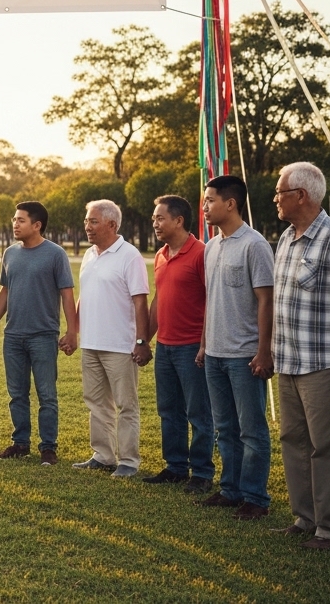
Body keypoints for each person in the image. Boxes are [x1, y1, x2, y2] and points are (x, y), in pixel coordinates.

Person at [270, 163, 330, 550]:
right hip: (289, 360)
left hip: (324, 363)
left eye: (280, 192)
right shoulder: (285, 238)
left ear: (302, 195)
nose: (275, 198)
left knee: (328, 446)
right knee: (293, 439)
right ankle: (305, 517)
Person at [197, 175, 274, 521]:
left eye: (210, 200)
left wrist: (264, 350)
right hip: (214, 353)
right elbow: (211, 301)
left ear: (230, 203)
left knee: (251, 429)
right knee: (224, 427)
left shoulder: (255, 245)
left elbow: (265, 301)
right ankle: (230, 490)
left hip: (245, 354)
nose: (205, 206)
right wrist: (203, 345)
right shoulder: (212, 246)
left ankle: (255, 496)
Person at [0, 201, 77, 466]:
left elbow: (66, 294)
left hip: (43, 335)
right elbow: (5, 291)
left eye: (21, 220)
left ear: (37, 225)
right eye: (14, 220)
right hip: (13, 336)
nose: (15, 224)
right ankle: (20, 443)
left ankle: (48, 447)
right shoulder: (10, 253)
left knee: (46, 394)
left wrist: (72, 331)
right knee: (17, 393)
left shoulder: (55, 254)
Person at [72, 199, 151, 478]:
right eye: (87, 221)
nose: (87, 227)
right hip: (90, 343)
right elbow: (85, 294)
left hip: (120, 345)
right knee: (96, 403)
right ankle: (103, 455)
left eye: (93, 221)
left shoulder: (129, 256)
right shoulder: (90, 255)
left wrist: (142, 341)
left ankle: (128, 461)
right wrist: (74, 330)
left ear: (112, 224)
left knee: (125, 405)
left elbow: (140, 302)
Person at [141, 195, 214, 493]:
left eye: (160, 218)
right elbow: (159, 300)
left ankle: (202, 472)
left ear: (179, 220)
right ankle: (175, 466)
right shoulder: (160, 255)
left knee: (198, 412)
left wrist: (204, 344)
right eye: (154, 219)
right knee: (168, 409)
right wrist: (144, 339)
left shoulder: (201, 253)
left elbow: (212, 301)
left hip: (191, 347)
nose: (156, 224)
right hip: (165, 347)